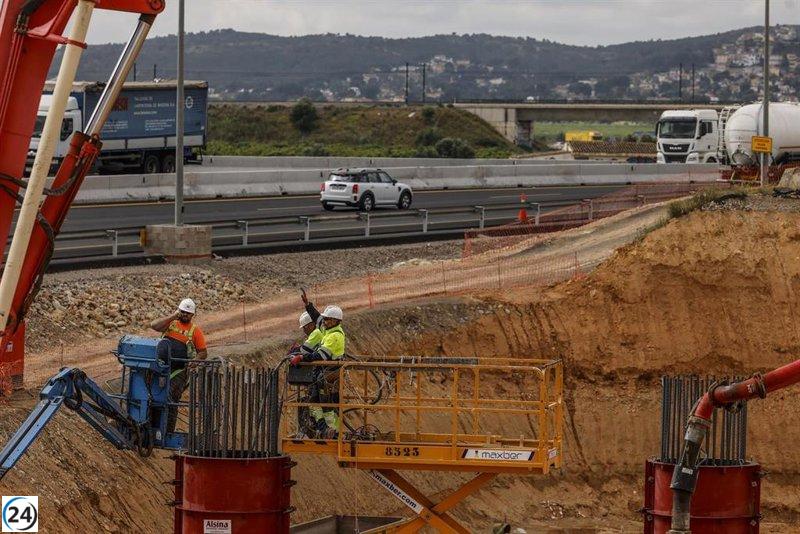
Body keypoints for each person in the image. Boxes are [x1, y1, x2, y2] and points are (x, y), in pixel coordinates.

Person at [150, 298, 208, 433]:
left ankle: (166, 431)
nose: (184, 315)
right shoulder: (171, 324)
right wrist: (173, 316)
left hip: (179, 371)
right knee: (151, 393)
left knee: (169, 397)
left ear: (192, 315)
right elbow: (154, 325)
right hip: (160, 367)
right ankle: (150, 425)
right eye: (182, 312)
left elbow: (203, 352)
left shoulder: (195, 331)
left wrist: (196, 360)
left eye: (187, 313)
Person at [291, 305, 346, 438]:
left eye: (327, 320)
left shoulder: (334, 336)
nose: (324, 322)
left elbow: (320, 356)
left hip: (328, 376)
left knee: (326, 405)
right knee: (314, 402)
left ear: (335, 321)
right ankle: (323, 429)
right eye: (325, 319)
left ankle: (334, 433)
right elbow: (318, 319)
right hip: (322, 375)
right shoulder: (328, 331)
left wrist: (302, 357)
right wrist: (308, 305)